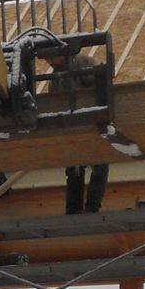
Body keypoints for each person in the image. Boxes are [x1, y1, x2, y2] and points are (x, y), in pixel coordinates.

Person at [41, 48, 107, 214]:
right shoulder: (55, 76)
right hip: (72, 128)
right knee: (74, 170)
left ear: (58, 53)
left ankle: (92, 207)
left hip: (92, 123)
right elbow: (55, 102)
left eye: (49, 58)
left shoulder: (81, 63)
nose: (49, 63)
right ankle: (73, 209)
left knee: (99, 166)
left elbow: (99, 87)